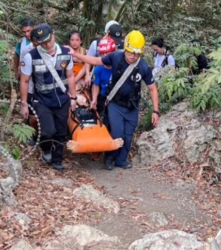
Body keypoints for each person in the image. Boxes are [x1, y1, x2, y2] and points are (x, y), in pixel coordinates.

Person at [69, 30, 160, 170]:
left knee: (128, 135)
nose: (133, 57)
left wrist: (156, 111)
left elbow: (152, 89)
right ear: (126, 49)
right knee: (117, 133)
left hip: (132, 106)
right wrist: (76, 54)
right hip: (115, 104)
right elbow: (95, 60)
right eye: (131, 53)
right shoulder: (115, 57)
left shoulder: (143, 67)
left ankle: (121, 160)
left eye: (137, 54)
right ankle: (109, 158)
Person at [20, 23, 78, 171]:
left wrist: (73, 98)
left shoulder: (66, 53)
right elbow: (24, 80)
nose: (48, 44)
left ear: (54, 35)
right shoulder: (30, 57)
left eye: (49, 39)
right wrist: (24, 103)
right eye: (43, 42)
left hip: (61, 98)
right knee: (47, 131)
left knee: (61, 131)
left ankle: (57, 159)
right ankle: (45, 147)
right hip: (42, 99)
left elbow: (70, 76)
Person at [90, 37, 116, 131]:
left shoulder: (119, 67)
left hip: (116, 98)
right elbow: (96, 85)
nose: (105, 56)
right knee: (102, 121)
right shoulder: (98, 69)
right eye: (103, 54)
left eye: (107, 53)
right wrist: (94, 99)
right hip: (103, 97)